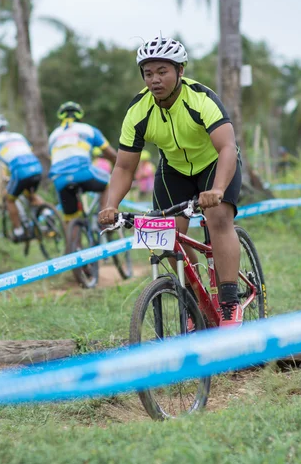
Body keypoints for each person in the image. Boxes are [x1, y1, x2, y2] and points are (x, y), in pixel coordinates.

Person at [99, 36, 243, 327]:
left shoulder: (201, 99)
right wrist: (110, 205)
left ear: (180, 71)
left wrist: (216, 189)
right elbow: (125, 166)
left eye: (162, 71)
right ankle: (196, 300)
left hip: (214, 163)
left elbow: (227, 147)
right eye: (148, 73)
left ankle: (229, 302)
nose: (155, 79)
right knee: (166, 237)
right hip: (174, 170)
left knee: (217, 219)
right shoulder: (138, 111)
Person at [48, 101, 117, 225]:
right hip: (83, 172)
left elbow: (52, 158)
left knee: (71, 218)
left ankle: (75, 243)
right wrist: (120, 167)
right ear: (80, 116)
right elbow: (111, 154)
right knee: (110, 182)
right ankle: (105, 222)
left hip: (60, 179)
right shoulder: (88, 129)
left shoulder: (53, 135)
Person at [0, 114, 44, 242]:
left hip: (20, 172)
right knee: (30, 194)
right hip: (37, 167)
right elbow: (24, 153)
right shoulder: (18, 136)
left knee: (9, 200)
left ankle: (18, 231)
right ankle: (47, 215)